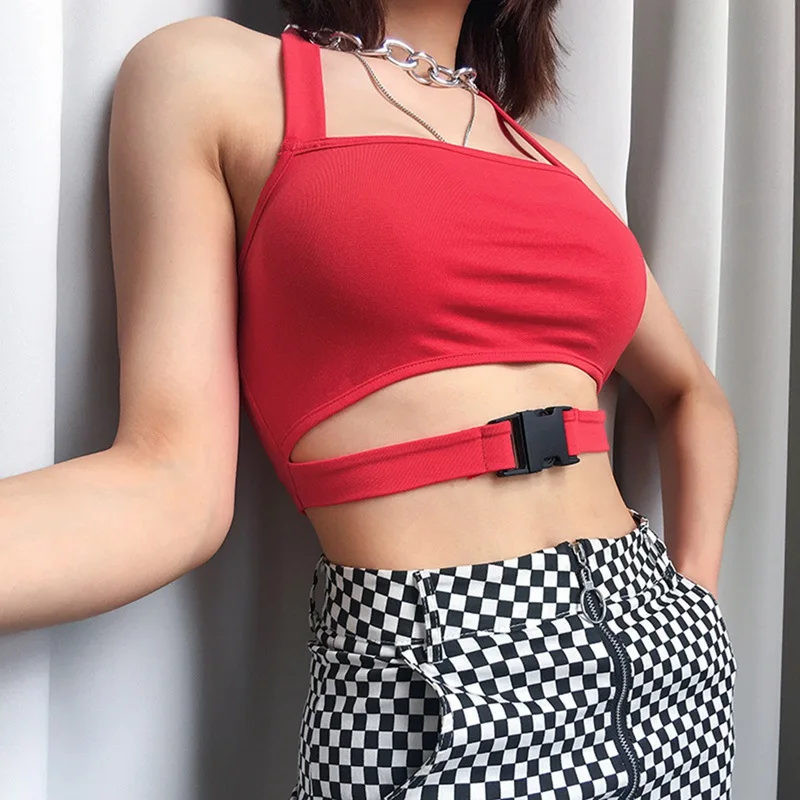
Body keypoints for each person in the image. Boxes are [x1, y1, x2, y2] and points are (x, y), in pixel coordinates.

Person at [0, 0, 738, 797]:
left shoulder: (558, 165)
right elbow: (167, 483)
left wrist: (694, 601)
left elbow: (691, 393)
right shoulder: (218, 77)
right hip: (434, 675)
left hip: (663, 664)